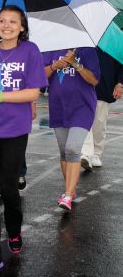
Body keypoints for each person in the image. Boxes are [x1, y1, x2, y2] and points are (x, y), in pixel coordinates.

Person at [0, 5, 47, 274]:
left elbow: (33, 94)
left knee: (9, 189)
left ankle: (14, 230)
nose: (6, 25)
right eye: (2, 21)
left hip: (15, 130)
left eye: (13, 21)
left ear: (22, 27)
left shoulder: (31, 51)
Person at [44, 48, 100, 212]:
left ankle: (67, 195)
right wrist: (55, 66)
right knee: (64, 152)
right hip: (58, 106)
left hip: (82, 107)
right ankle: (71, 188)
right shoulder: (51, 49)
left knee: (72, 149)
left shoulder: (88, 51)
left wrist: (75, 63)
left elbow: (94, 80)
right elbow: (40, 76)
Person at [81, 48, 123, 170]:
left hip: (103, 87)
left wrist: (120, 83)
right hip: (83, 86)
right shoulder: (84, 37)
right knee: (83, 121)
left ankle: (96, 153)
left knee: (99, 122)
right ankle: (85, 153)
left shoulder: (114, 39)